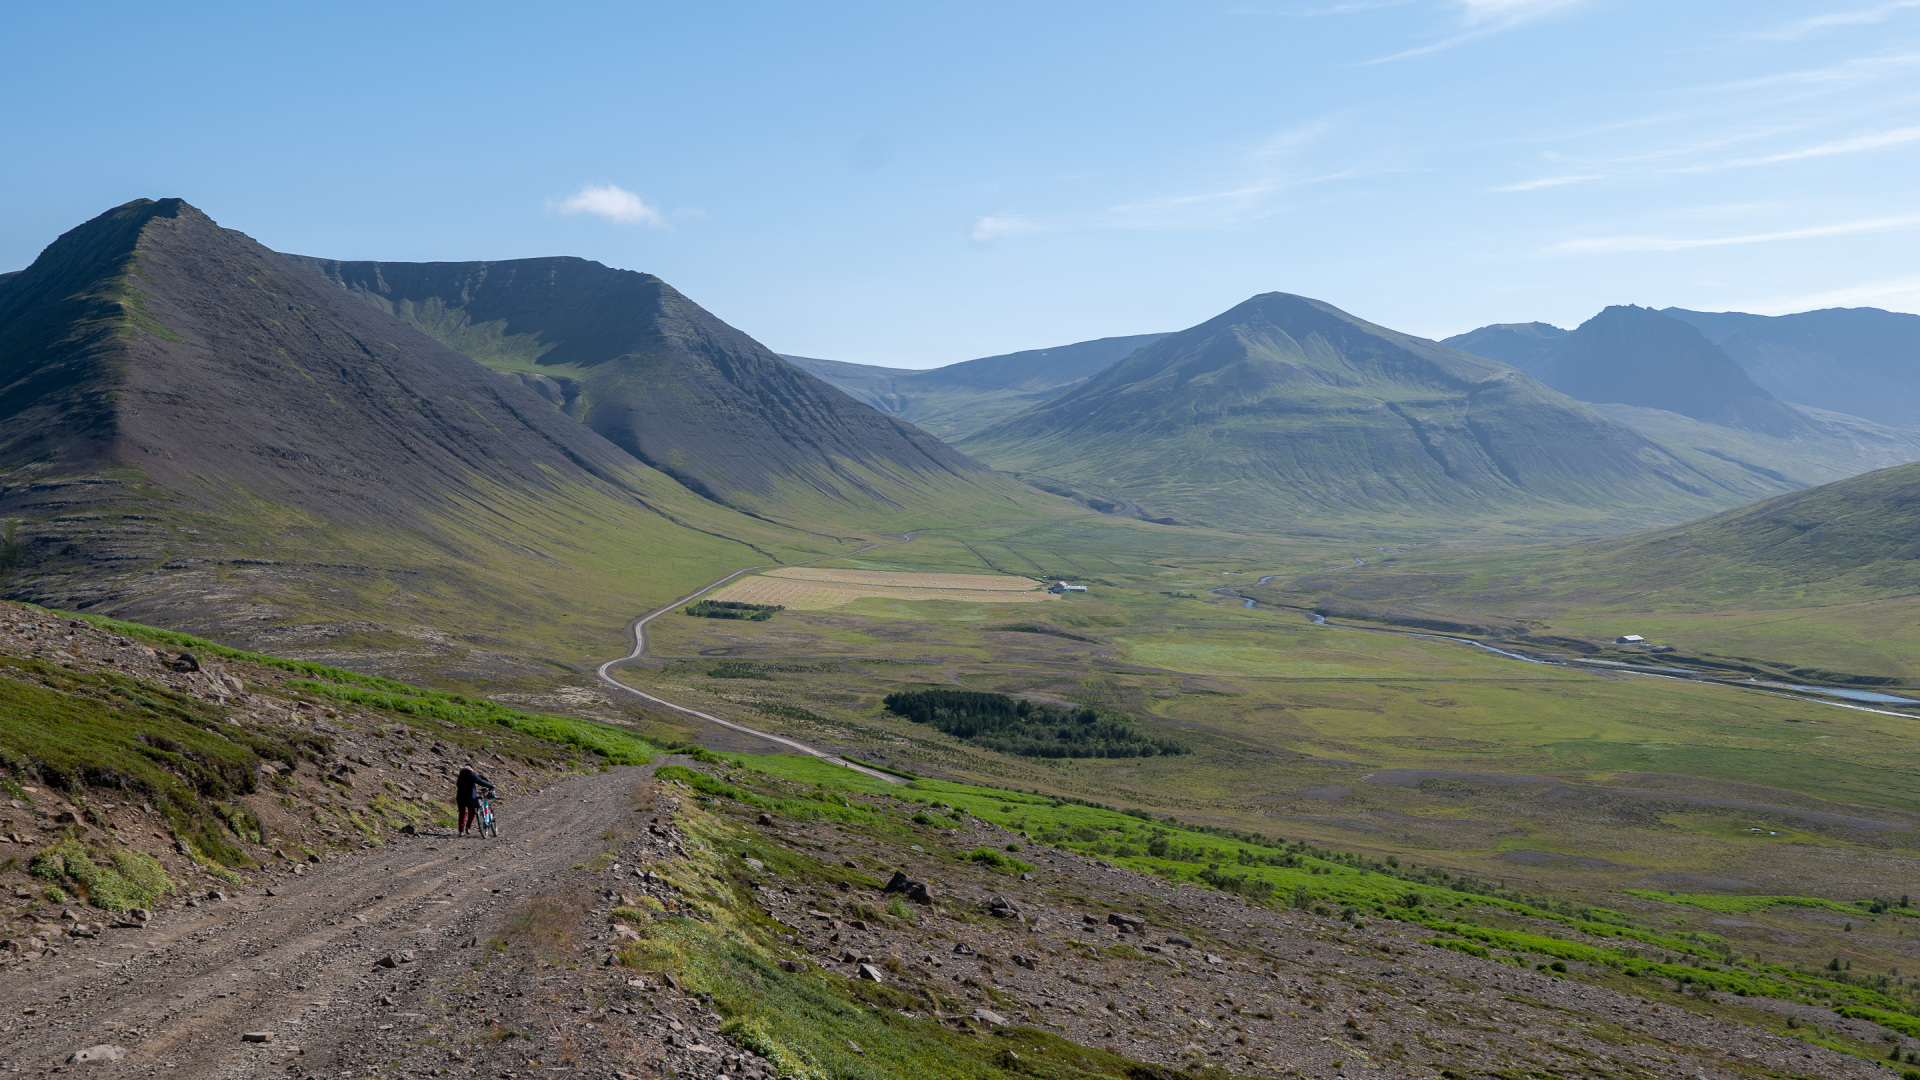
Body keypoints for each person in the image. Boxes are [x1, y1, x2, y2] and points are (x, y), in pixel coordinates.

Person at [456, 764, 495, 837]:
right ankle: (468, 827)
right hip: (470, 797)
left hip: (460, 797)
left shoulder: (460, 776)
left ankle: (461, 831)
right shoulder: (471, 774)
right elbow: (480, 781)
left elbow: (457, 785)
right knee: (472, 812)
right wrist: (491, 786)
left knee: (462, 813)